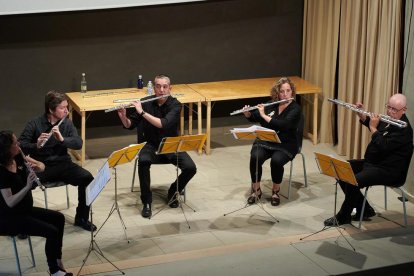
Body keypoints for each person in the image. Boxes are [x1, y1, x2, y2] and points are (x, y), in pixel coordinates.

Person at [324, 93, 413, 226]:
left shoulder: (404, 130)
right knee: (341, 168)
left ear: (404, 110)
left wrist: (373, 127)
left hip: (389, 170)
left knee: (354, 181)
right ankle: (364, 209)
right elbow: (373, 124)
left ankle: (343, 216)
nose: (389, 111)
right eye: (388, 107)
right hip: (374, 163)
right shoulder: (390, 120)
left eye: (394, 109)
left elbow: (383, 145)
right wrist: (361, 114)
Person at [117, 75, 197, 218]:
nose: (161, 90)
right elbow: (130, 125)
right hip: (149, 144)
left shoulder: (176, 105)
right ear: (154, 88)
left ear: (170, 88)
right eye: (158, 86)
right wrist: (123, 116)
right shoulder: (145, 102)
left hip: (169, 144)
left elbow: (163, 124)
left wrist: (142, 112)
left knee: (191, 168)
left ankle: (173, 190)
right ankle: (147, 202)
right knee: (143, 161)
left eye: (165, 86)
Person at [19, 91, 96, 231]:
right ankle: (25, 222)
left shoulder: (66, 124)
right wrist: (35, 145)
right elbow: (20, 145)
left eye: (67, 107)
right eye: (62, 108)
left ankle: (82, 218)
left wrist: (62, 139)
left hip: (63, 164)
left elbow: (78, 143)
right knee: (23, 183)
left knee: (87, 178)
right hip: (43, 166)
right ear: (50, 109)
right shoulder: (35, 124)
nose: (66, 110)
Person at [0, 131, 72, 276]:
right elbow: (10, 202)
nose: (18, 144)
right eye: (15, 143)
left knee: (59, 218)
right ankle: (54, 271)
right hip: (9, 218)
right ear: (6, 149)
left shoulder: (18, 157)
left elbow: (42, 166)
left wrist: (38, 166)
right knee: (51, 231)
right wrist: (27, 186)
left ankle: (57, 261)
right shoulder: (1, 172)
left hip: (25, 210)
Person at [243, 77, 302, 206]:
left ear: (292, 92)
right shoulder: (272, 104)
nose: (285, 94)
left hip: (286, 143)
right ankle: (256, 190)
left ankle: (275, 191)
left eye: (288, 90)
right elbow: (256, 117)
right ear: (277, 92)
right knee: (255, 156)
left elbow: (283, 125)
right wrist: (249, 114)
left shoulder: (295, 109)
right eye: (282, 91)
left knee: (276, 161)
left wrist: (264, 115)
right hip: (267, 140)